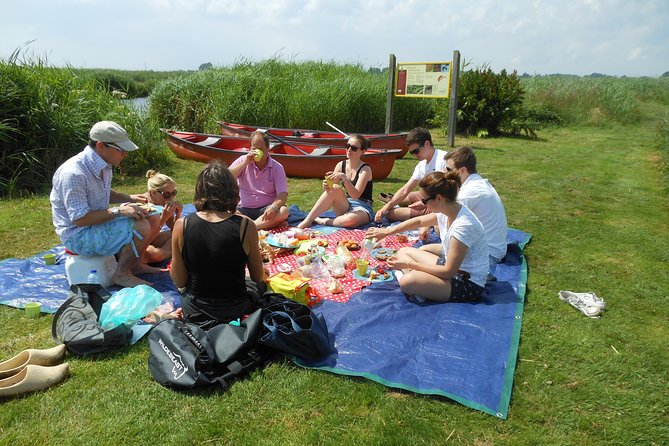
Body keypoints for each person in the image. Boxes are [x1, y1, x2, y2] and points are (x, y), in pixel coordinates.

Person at [50, 121, 167, 287]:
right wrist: (119, 211)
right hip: (78, 234)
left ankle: (135, 264)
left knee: (154, 214)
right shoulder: (73, 174)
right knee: (140, 226)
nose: (125, 154)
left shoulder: (104, 165)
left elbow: (103, 192)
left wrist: (130, 197)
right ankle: (122, 274)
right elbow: (79, 219)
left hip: (96, 223)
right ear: (101, 146)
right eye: (121, 150)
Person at [365, 171, 488, 302]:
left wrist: (409, 264)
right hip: (451, 268)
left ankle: (418, 284)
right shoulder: (448, 210)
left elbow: (448, 272)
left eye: (424, 200)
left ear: (439, 198)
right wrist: (386, 232)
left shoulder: (463, 226)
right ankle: (423, 283)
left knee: (408, 282)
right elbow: (419, 221)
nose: (423, 204)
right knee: (403, 251)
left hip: (467, 282)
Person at [170, 161, 265, 329]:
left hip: (195, 310)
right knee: (255, 285)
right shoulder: (245, 226)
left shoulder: (182, 225)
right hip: (235, 310)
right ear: (232, 191)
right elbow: (258, 277)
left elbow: (179, 280)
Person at [444, 147, 508, 272]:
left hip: (488, 254)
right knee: (424, 252)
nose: (445, 174)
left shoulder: (469, 192)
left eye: (449, 169)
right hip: (487, 246)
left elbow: (447, 219)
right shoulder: (476, 183)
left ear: (462, 170)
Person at [374, 127, 448, 228]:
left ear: (427, 144)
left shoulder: (444, 160)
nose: (414, 155)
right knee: (406, 197)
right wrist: (385, 207)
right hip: (428, 197)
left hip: (440, 203)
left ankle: (422, 216)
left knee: (390, 214)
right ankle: (393, 201)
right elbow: (405, 189)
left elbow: (449, 193)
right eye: (411, 152)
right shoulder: (422, 165)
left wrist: (424, 203)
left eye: (416, 151)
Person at [297, 134, 373, 229]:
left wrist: (344, 177)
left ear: (363, 151)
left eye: (353, 148)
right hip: (346, 204)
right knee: (334, 188)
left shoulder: (365, 169)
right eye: (347, 146)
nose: (349, 150)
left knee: (350, 220)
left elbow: (356, 195)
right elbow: (330, 190)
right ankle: (308, 220)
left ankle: (324, 221)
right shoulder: (341, 165)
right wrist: (326, 185)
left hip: (363, 206)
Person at [228, 130, 289, 230]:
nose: (257, 152)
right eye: (254, 149)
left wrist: (273, 207)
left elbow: (282, 195)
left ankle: (251, 227)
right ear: (250, 148)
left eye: (260, 149)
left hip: (266, 210)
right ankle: (260, 225)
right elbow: (226, 176)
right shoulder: (243, 160)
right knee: (227, 212)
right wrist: (245, 164)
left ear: (268, 149)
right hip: (243, 209)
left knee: (283, 211)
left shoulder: (277, 167)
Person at [136, 170, 183, 264]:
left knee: (182, 233)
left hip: (152, 240)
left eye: (173, 193)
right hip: (137, 244)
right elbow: (143, 241)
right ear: (153, 193)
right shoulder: (142, 207)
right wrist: (164, 218)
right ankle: (173, 252)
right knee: (151, 254)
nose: (171, 198)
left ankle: (170, 252)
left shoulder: (162, 204)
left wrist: (178, 214)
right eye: (166, 194)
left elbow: (174, 229)